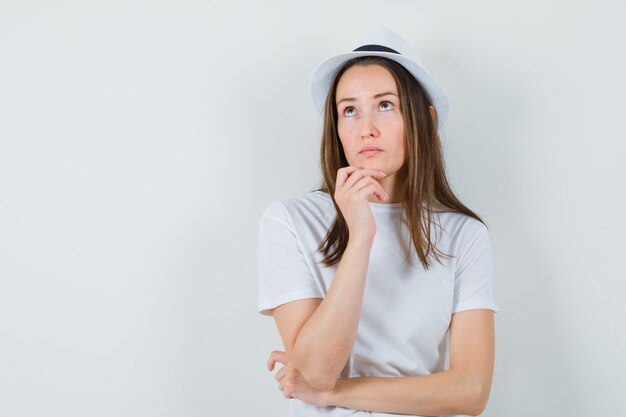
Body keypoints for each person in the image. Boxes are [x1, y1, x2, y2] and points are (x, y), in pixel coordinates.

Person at [257, 27, 499, 417]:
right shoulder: (290, 221)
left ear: (425, 117)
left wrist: (333, 394)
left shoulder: (463, 234)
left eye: (385, 105)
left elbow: (470, 392)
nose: (365, 127)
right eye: (349, 110)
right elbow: (317, 371)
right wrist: (361, 236)